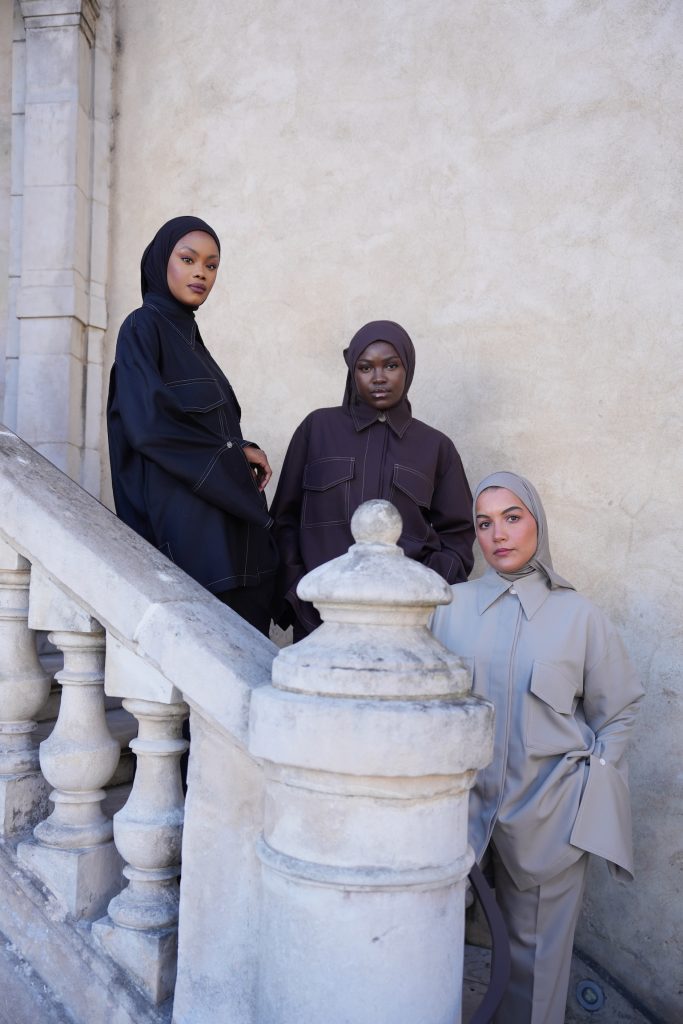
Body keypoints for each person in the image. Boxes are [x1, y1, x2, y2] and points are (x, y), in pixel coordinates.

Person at [431, 471, 643, 1023]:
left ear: (537, 522)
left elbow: (618, 711)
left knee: (536, 974)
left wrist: (586, 795)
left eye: (512, 517)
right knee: (425, 951)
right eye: (484, 523)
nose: (498, 534)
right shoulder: (447, 608)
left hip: (549, 817)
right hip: (456, 817)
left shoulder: (581, 618)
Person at [107, 216, 277, 635]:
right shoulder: (143, 327)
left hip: (232, 541)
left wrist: (239, 449)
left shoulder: (194, 345)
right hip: (193, 545)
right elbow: (148, 425)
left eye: (212, 265)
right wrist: (232, 454)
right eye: (188, 259)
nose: (201, 272)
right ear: (160, 262)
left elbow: (209, 431)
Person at [271, 319, 475, 638]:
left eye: (391, 365)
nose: (379, 378)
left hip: (404, 626)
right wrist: (298, 592)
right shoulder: (317, 429)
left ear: (407, 368)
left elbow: (458, 535)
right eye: (366, 368)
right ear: (353, 372)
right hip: (319, 620)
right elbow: (284, 520)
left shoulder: (436, 447)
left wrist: (424, 591)